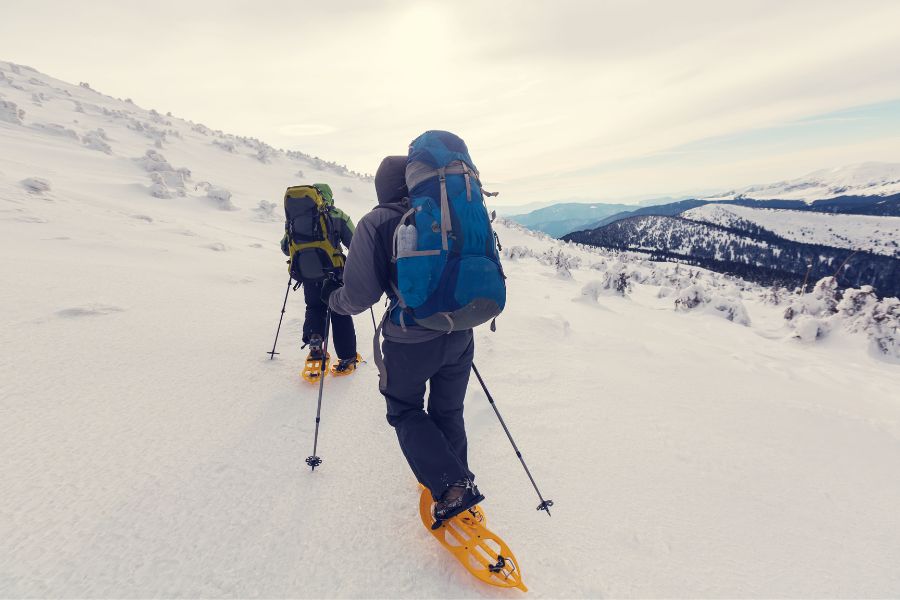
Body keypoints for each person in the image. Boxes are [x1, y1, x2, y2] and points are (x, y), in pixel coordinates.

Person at [322, 156, 482, 520]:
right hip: (460, 330)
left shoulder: (376, 222)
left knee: (405, 409)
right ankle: (455, 475)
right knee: (448, 410)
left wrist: (332, 298)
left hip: (411, 338)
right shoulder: (448, 212)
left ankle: (453, 485)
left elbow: (360, 296)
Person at [280, 183, 360, 378]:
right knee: (339, 310)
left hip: (308, 273)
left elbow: (285, 246)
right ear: (328, 197)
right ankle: (347, 358)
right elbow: (356, 242)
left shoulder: (295, 219)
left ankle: (315, 344)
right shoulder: (337, 215)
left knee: (314, 307)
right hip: (334, 273)